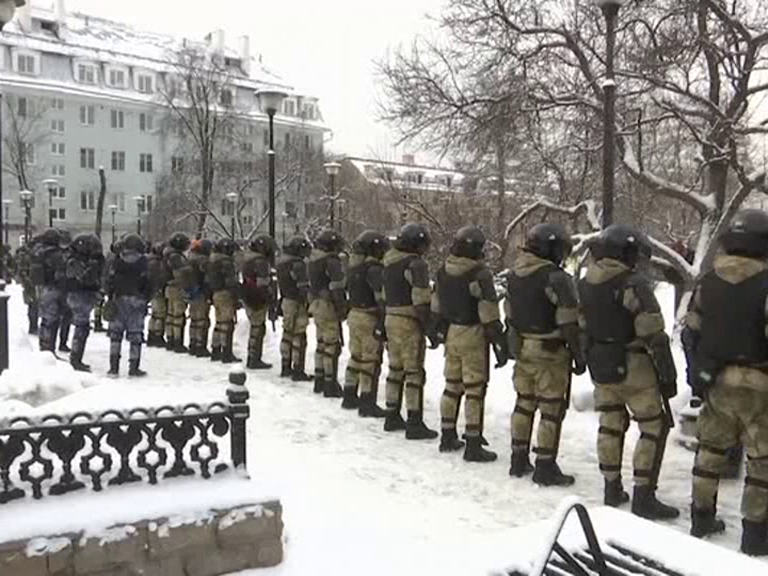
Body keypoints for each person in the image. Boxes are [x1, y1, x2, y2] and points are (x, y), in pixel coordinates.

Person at [578, 224, 679, 520]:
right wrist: (668, 375)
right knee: (652, 427)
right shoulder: (633, 283)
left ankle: (611, 488)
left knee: (610, 425)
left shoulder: (586, 283)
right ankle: (643, 496)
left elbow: (581, 326)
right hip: (636, 369)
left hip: (603, 366)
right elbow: (653, 333)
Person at [683, 209, 768, 556]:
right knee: (762, 462)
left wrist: (698, 374)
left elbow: (690, 332)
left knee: (710, 453)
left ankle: (701, 518)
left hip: (716, 379)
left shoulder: (708, 279)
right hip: (760, 385)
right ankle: (755, 534)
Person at [506, 223, 586, 485]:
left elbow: (510, 314)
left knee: (524, 403)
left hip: (524, 348)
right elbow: (568, 321)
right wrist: (578, 354)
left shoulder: (515, 273)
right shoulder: (556, 277)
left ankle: (518, 458)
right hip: (550, 351)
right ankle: (545, 465)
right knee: (551, 410)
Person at [433, 226, 508, 461]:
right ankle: (473, 442)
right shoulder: (480, 274)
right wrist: (499, 342)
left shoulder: (443, 270)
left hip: (452, 333)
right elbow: (488, 312)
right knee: (475, 390)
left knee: (452, 385)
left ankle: (447, 435)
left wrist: (438, 331)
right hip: (473, 333)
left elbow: (436, 306)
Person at [382, 222, 437, 440]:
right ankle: (414, 422)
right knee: (414, 372)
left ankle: (391, 414)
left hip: (390, 318)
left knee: (395, 369)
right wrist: (430, 328)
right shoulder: (416, 265)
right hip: (408, 321)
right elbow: (421, 300)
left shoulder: (388, 262)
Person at [343, 230, 390, 416]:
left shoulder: (354, 267)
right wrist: (382, 320)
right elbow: (381, 297)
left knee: (356, 356)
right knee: (371, 360)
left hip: (354, 314)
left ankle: (349, 394)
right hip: (369, 316)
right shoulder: (374, 269)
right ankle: (367, 402)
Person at [104, 234, 151, 377]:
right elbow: (149, 283)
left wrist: (110, 295)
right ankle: (134, 367)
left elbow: (108, 280)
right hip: (137, 300)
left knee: (115, 335)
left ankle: (113, 367)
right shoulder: (144, 262)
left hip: (118, 299)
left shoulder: (116, 261)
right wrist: (145, 298)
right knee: (136, 335)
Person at [308, 229, 347, 397]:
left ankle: (319, 379)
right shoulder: (331, 261)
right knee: (332, 344)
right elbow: (337, 286)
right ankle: (330, 383)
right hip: (328, 304)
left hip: (316, 303)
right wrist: (342, 307)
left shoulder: (312, 260)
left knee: (321, 343)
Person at [64, 234, 104, 372]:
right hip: (78, 295)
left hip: (81, 295)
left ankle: (76, 358)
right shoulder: (74, 261)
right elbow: (84, 278)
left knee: (83, 328)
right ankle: (75, 359)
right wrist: (93, 268)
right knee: (81, 328)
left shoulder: (76, 259)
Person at [276, 235, 312, 381]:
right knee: (299, 335)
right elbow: (302, 286)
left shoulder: (281, 262)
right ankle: (298, 369)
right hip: (297, 301)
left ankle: (285, 366)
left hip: (286, 299)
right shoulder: (298, 264)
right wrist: (308, 302)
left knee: (287, 334)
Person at [240, 234, 278, 370]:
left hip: (248, 295)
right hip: (257, 297)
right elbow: (263, 283)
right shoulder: (260, 261)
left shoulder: (248, 258)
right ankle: (254, 358)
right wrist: (269, 298)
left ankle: (254, 357)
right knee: (257, 328)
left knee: (256, 327)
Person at [31, 228, 66, 353]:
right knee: (52, 320)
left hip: (40, 287)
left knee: (45, 320)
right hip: (53, 287)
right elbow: (62, 271)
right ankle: (49, 350)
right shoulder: (55, 254)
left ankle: (44, 346)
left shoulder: (37, 251)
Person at [206, 237, 241, 363]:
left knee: (219, 323)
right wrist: (236, 296)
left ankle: (216, 349)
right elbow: (231, 281)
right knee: (227, 324)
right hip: (225, 293)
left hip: (215, 293)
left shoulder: (212, 259)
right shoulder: (226, 261)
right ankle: (227, 352)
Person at [164, 232, 192, 353]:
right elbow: (180, 274)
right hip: (176, 288)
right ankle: (177, 341)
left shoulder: (167, 254)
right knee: (178, 315)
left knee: (171, 315)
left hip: (169, 287)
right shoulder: (176, 257)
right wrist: (185, 288)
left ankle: (170, 339)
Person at [186, 239, 214, 357]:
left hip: (191, 292)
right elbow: (208, 277)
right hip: (201, 292)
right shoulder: (204, 261)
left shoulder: (189, 259)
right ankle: (200, 345)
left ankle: (192, 343)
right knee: (203, 320)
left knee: (194, 320)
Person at [147, 242, 169, 347]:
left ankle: (151, 334)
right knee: (161, 314)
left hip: (151, 291)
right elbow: (161, 277)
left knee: (154, 314)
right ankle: (158, 336)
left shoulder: (148, 261)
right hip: (158, 290)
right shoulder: (158, 263)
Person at [14, 240, 39, 335]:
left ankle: (34, 326)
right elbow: (22, 271)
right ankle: (33, 327)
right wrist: (28, 282)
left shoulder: (28, 256)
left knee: (34, 306)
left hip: (31, 284)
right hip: (31, 284)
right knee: (33, 305)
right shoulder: (27, 257)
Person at [57, 229, 73, 353]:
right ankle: (62, 342)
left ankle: (59, 342)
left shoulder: (54, 253)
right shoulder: (69, 254)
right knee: (65, 318)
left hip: (61, 288)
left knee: (62, 318)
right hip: (64, 289)